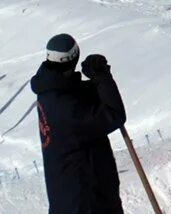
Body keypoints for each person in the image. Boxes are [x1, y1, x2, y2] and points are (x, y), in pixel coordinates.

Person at [30, 33, 126, 213]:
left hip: (69, 197)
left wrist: (98, 78)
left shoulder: (49, 91)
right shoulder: (68, 110)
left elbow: (80, 93)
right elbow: (114, 114)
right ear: (74, 58)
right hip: (86, 201)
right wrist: (102, 78)